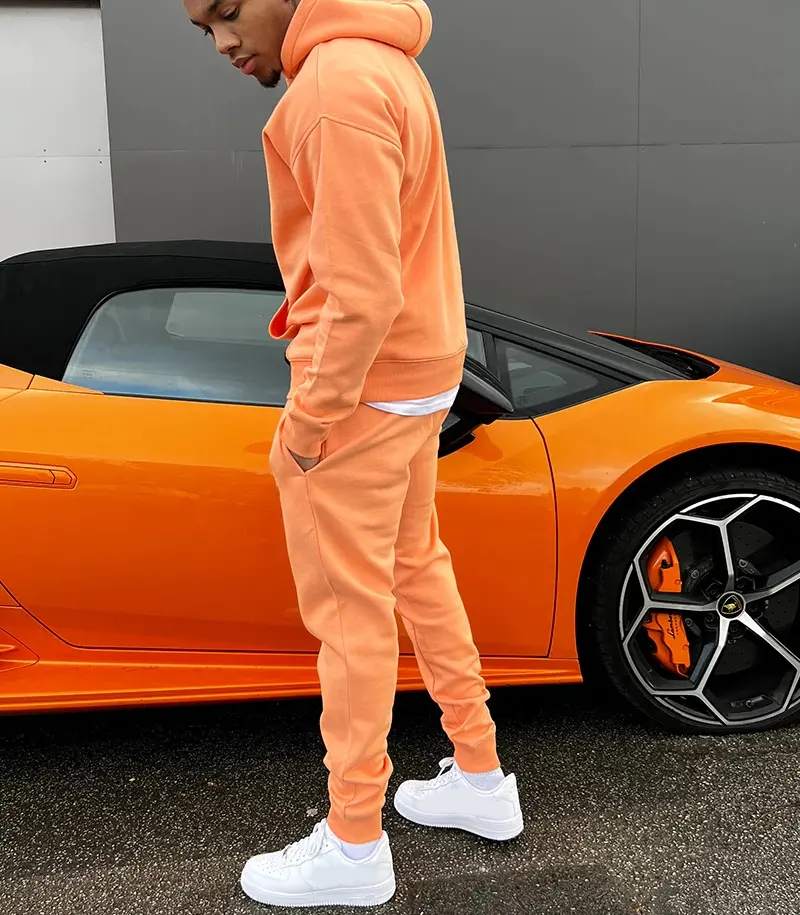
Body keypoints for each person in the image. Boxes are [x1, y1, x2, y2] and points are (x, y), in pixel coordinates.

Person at [184, 0, 524, 906]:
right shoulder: (385, 62)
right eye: (202, 29)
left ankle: (354, 839)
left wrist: (308, 421)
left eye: (227, 11)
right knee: (416, 566)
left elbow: (361, 292)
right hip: (418, 369)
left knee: (349, 613)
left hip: (363, 387)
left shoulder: (333, 84)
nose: (222, 42)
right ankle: (480, 774)